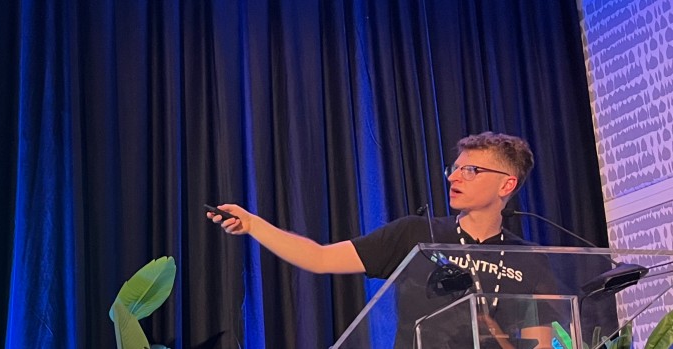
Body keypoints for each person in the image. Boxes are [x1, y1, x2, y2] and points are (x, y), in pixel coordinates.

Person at [208, 132, 560, 349]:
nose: (455, 176)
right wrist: (254, 225)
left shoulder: (527, 258)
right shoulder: (416, 233)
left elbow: (540, 343)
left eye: (471, 170)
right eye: (453, 168)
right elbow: (320, 258)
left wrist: (490, 329)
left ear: (506, 185)